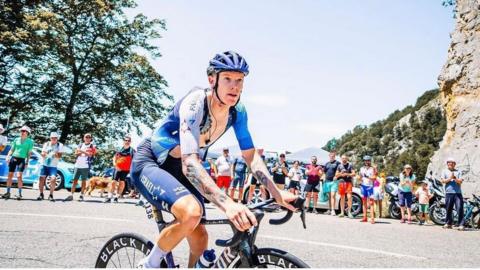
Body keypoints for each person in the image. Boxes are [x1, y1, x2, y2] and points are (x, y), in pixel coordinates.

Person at [130, 51, 296, 268]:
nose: (234, 86)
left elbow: (250, 155)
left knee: (200, 238)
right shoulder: (195, 103)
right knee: (191, 213)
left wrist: (277, 193)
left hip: (179, 168)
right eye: (227, 79)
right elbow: (190, 163)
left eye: (239, 81)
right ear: (212, 80)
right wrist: (228, 205)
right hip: (152, 162)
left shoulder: (237, 111)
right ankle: (149, 264)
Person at [2, 126, 34, 200]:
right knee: (10, 175)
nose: (22, 132)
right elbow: (12, 149)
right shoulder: (16, 139)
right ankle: (8, 193)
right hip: (14, 158)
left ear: (27, 133)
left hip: (22, 159)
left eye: (24, 131)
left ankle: (19, 194)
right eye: (21, 131)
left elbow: (29, 153)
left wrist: (27, 162)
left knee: (19, 176)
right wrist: (8, 156)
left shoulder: (30, 142)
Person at [65, 133, 97, 201]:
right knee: (74, 181)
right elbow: (76, 153)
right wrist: (84, 152)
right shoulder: (80, 144)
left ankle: (81, 195)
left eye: (89, 137)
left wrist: (81, 151)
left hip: (85, 166)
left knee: (83, 181)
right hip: (77, 165)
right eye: (86, 137)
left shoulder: (92, 146)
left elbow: (90, 155)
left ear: (91, 139)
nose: (87, 138)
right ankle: (71, 195)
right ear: (84, 138)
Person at [105, 135, 135, 203]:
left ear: (130, 142)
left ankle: (116, 197)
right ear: (123, 141)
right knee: (113, 182)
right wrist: (115, 165)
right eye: (126, 140)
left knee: (122, 182)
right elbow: (114, 158)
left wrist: (132, 169)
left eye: (128, 141)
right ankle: (109, 197)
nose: (127, 142)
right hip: (117, 168)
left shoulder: (132, 150)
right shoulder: (119, 149)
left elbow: (135, 160)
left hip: (126, 169)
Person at [37, 132, 64, 202]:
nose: (54, 139)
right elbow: (42, 153)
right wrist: (46, 155)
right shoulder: (46, 144)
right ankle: (41, 194)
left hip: (53, 166)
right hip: (44, 164)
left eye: (55, 138)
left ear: (57, 139)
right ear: (50, 138)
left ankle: (51, 195)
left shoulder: (60, 145)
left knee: (53, 179)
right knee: (41, 179)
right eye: (52, 138)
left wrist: (54, 154)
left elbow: (60, 156)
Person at [440, 157, 465, 230]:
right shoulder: (444, 171)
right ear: (447, 164)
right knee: (448, 208)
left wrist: (455, 178)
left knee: (460, 208)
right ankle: (448, 223)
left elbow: (460, 181)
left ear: (454, 164)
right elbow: (443, 181)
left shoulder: (458, 171)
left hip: (458, 193)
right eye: (449, 162)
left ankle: (461, 224)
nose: (450, 164)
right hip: (448, 193)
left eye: (452, 163)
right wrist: (450, 178)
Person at [359, 155, 376, 224]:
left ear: (370, 161)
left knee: (371, 203)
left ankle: (372, 218)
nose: (366, 162)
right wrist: (360, 181)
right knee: (364, 202)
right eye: (365, 160)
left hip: (370, 186)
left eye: (368, 160)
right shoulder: (361, 168)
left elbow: (374, 178)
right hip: (363, 186)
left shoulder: (373, 168)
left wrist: (368, 177)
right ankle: (365, 217)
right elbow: (360, 176)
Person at [323, 152, 340, 216]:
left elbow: (340, 170)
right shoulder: (327, 163)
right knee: (330, 196)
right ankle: (329, 209)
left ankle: (333, 210)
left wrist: (336, 176)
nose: (331, 157)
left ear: (334, 156)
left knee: (333, 196)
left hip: (334, 182)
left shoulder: (337, 163)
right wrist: (324, 177)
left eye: (333, 156)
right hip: (327, 182)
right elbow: (324, 172)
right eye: (330, 156)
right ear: (329, 156)